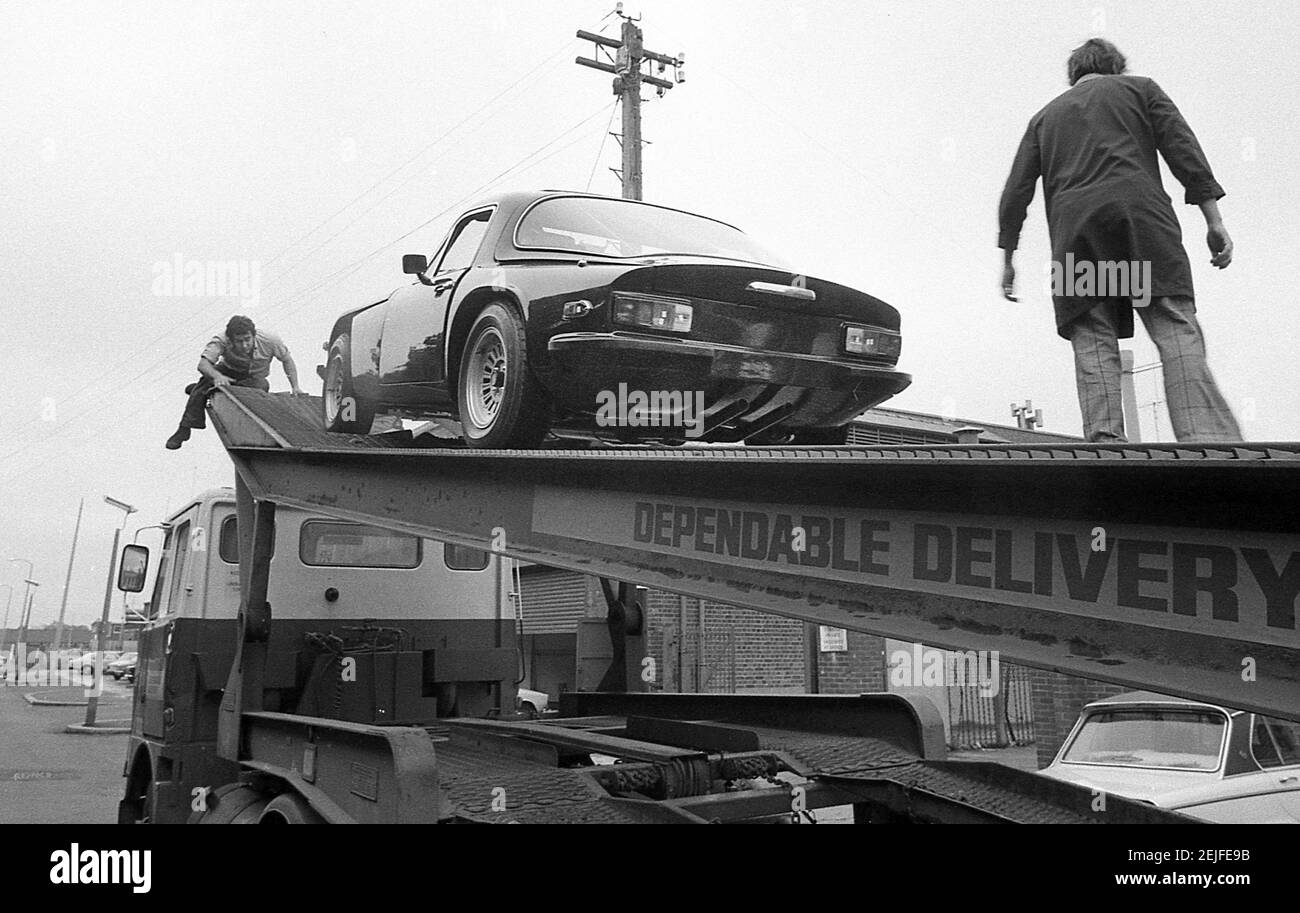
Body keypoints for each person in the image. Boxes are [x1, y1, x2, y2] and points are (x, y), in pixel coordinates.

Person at [998, 38, 1242, 443]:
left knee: (1092, 333)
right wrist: (1213, 220)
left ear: (1074, 74)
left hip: (1077, 234)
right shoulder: (1141, 89)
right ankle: (1205, 438)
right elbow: (1184, 151)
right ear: (1116, 67)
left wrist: (1009, 258)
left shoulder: (1044, 119)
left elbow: (1015, 193)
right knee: (1172, 323)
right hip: (1141, 222)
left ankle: (1105, 443)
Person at [166, 315, 302, 449]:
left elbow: (287, 360)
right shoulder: (221, 339)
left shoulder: (270, 340)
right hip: (227, 371)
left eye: (247, 339)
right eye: (239, 341)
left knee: (262, 386)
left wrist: (295, 387)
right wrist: (217, 377)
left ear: (254, 335)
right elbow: (203, 365)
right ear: (230, 340)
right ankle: (184, 428)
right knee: (205, 380)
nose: (244, 345)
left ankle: (205, 391)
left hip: (253, 378)